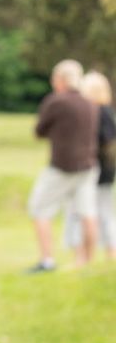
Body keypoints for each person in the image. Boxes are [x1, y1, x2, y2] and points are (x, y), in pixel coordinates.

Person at [25, 59, 100, 272]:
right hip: (88, 166)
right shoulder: (89, 102)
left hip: (62, 166)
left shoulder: (56, 102)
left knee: (39, 209)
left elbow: (40, 131)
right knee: (87, 212)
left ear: (61, 79)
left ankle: (47, 260)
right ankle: (86, 261)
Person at [66, 71, 116, 261]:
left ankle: (104, 252)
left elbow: (105, 142)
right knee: (99, 212)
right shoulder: (103, 111)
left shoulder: (100, 113)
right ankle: (102, 252)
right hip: (101, 170)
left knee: (94, 212)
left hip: (98, 170)